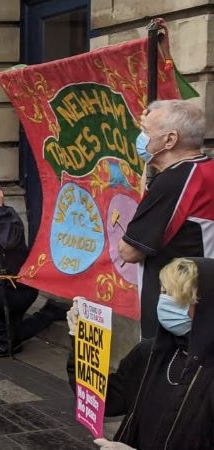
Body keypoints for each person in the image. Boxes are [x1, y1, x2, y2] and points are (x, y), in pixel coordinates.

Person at [67, 258, 214, 450]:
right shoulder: (151, 352)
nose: (164, 301)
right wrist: (81, 343)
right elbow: (109, 399)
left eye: (176, 295)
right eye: (163, 291)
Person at [117, 99, 214, 338]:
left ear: (170, 140)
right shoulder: (204, 169)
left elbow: (130, 252)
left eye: (145, 132)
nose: (141, 138)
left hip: (177, 309)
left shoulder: (175, 181)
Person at [0, 180, 65, 357]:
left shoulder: (7, 216)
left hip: (14, 288)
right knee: (15, 333)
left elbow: (8, 242)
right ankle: (48, 314)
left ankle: (5, 341)